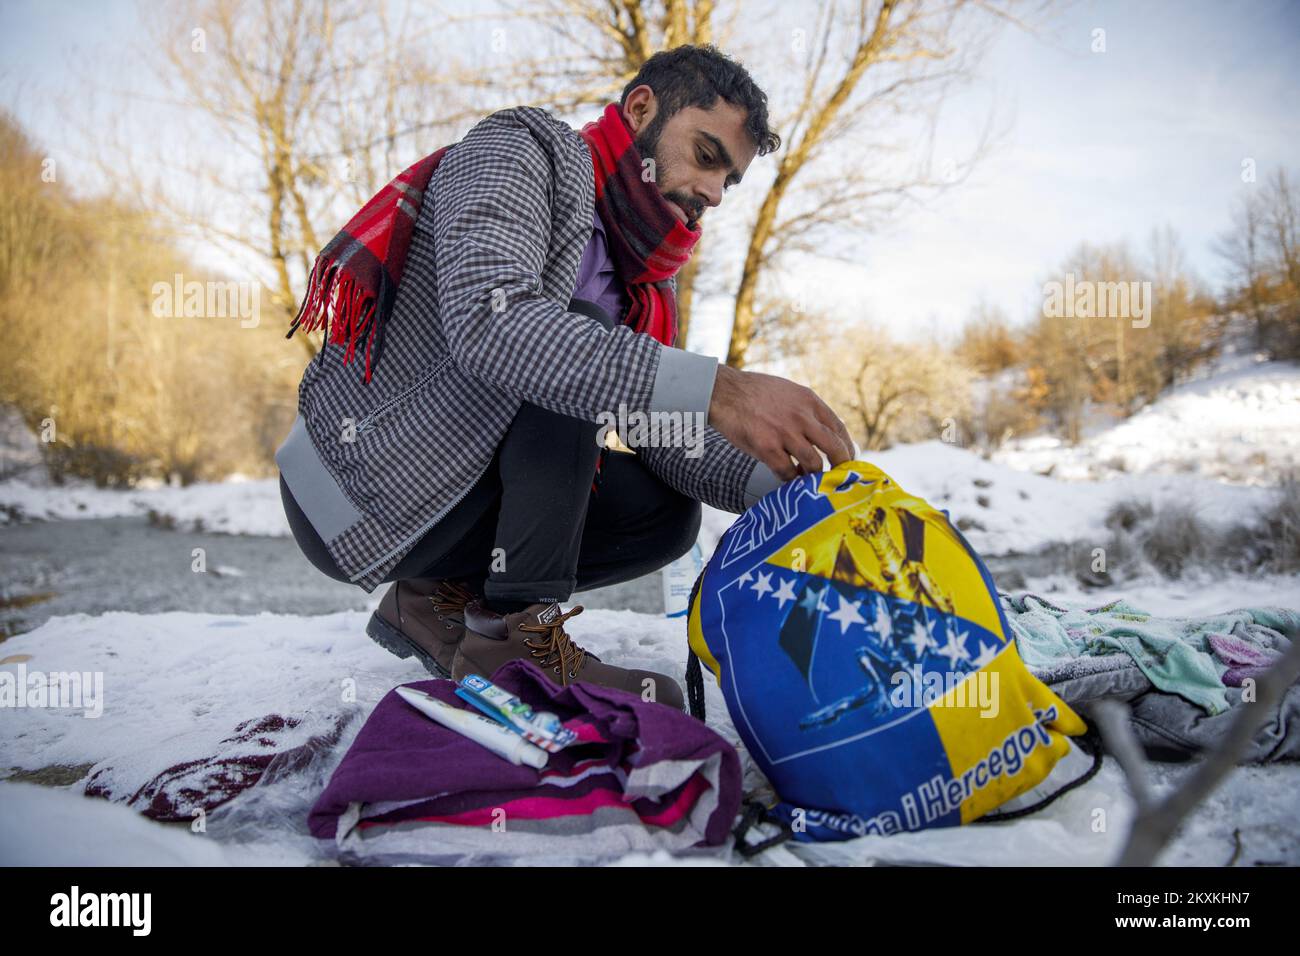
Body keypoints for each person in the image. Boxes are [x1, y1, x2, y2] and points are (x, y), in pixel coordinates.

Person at [276, 44, 854, 711]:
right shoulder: (519, 153)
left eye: (730, 180)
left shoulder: (645, 280)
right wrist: (725, 388)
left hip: (447, 491)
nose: (714, 194)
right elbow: (494, 326)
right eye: (705, 155)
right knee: (568, 337)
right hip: (361, 481)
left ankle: (435, 599)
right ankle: (509, 639)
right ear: (641, 109)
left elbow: (659, 426)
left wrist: (792, 488)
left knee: (663, 517)